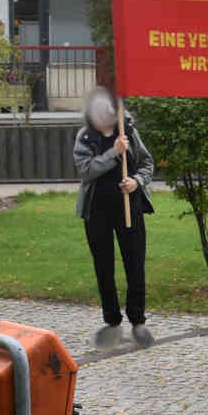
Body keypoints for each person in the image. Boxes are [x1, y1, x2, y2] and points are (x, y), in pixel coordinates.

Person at [73, 92, 155, 349]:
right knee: (104, 266)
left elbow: (147, 163)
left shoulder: (128, 130)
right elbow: (86, 170)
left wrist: (136, 182)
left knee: (135, 263)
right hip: (97, 210)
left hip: (129, 206)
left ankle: (138, 319)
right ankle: (111, 321)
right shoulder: (85, 137)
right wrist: (114, 153)